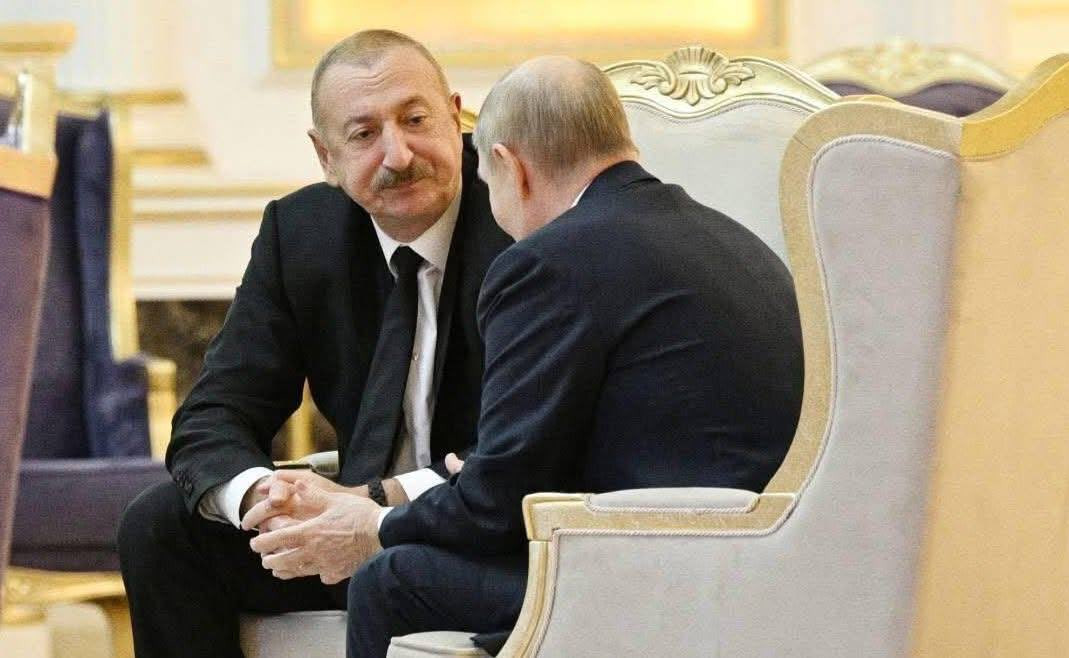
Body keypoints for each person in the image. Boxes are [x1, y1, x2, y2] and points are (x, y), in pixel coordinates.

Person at [246, 56, 804, 657]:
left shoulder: (551, 260)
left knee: (391, 577)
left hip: (654, 575)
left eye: (488, 183)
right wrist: (483, 475)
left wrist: (374, 526)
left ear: (511, 167)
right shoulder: (734, 240)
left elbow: (497, 503)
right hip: (762, 567)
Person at [116, 30, 511, 658]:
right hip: (342, 530)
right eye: (364, 134)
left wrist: (376, 506)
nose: (398, 154)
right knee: (160, 526)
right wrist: (262, 497)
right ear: (325, 156)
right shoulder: (302, 234)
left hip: (476, 532)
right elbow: (215, 414)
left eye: (415, 121)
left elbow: (531, 443)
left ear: (456, 116)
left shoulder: (518, 217)